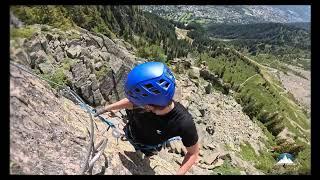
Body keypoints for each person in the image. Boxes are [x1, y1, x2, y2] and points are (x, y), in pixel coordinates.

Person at [95, 62, 199, 175]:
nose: (135, 103)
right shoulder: (149, 99)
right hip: (130, 132)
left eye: (139, 103)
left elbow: (193, 154)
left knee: (146, 156)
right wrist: (106, 108)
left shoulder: (184, 123)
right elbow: (130, 102)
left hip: (149, 147)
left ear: (148, 106)